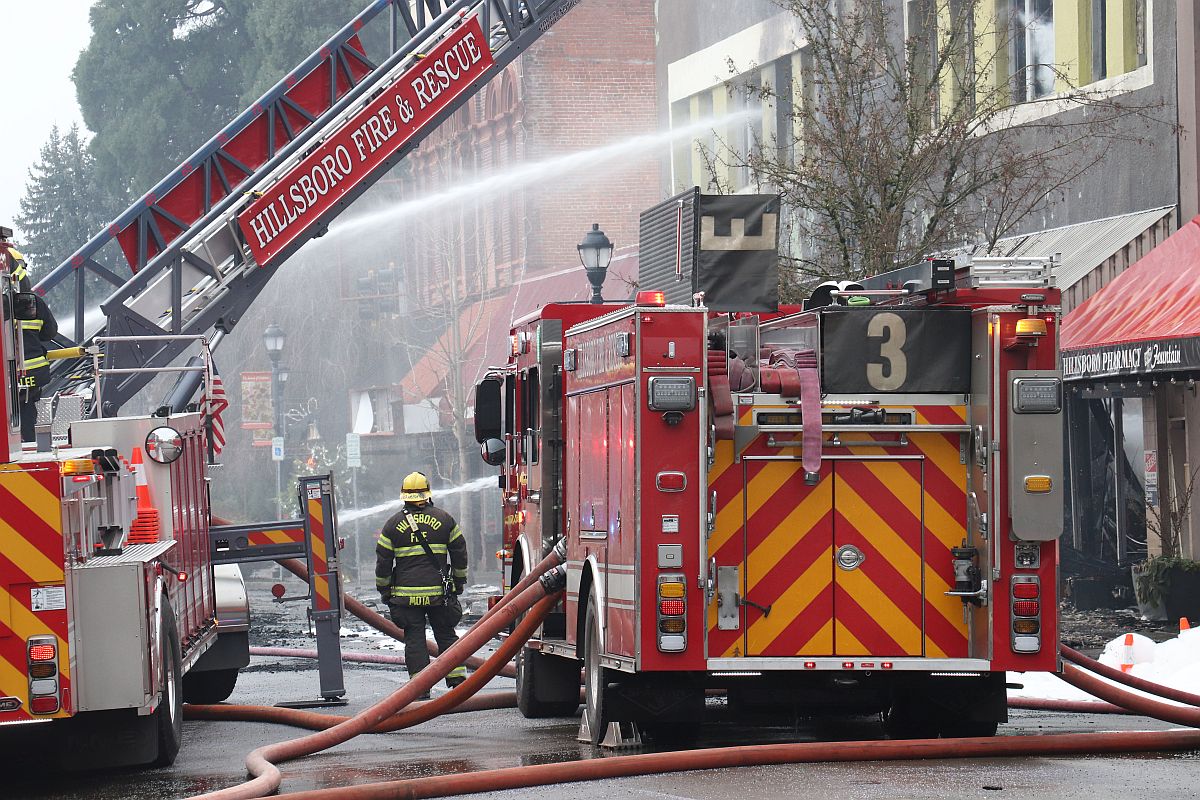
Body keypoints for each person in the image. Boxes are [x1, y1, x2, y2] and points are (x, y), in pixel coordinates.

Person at [376, 471, 469, 697]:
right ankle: (457, 680)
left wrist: (385, 591)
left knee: (415, 640)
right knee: (446, 634)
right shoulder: (445, 519)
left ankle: (420, 688)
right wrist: (458, 582)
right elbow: (459, 553)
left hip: (406, 598)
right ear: (427, 494)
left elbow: (383, 562)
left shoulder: (392, 525)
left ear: (404, 496)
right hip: (439, 595)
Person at [2, 242, 58, 442]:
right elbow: (50, 332)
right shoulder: (34, 302)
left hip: (8, 377)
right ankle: (30, 444)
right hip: (32, 374)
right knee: (27, 414)